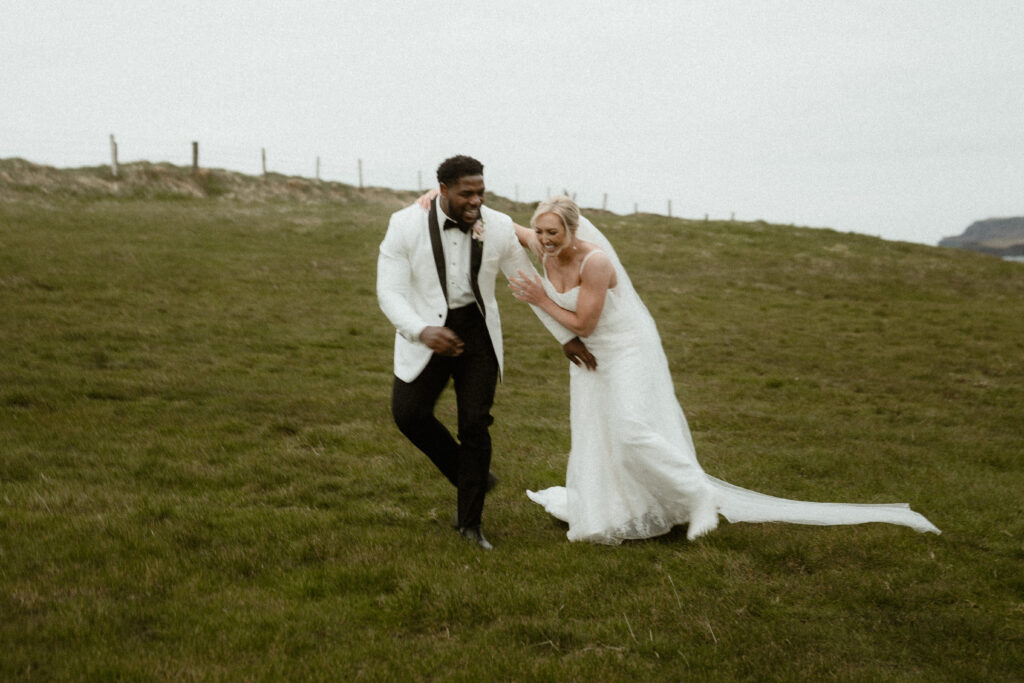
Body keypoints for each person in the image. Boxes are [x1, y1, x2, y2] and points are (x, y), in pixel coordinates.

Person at [507, 196, 940, 544]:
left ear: (572, 230)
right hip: (592, 358)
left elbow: (585, 323)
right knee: (598, 433)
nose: (544, 240)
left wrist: (541, 300)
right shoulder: (539, 243)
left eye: (554, 232)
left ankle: (697, 495)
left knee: (631, 429)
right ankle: (619, 510)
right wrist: (437, 197)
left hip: (627, 349)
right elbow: (505, 224)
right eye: (541, 232)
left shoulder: (595, 262)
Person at [376, 156, 591, 550]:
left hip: (478, 335)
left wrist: (564, 336)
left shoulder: (499, 226)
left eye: (481, 191)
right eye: (466, 193)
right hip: (429, 331)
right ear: (442, 191)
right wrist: (421, 330)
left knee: (475, 424)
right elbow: (389, 290)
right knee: (409, 414)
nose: (476, 200)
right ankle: (469, 473)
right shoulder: (404, 224)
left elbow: (526, 282)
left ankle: (470, 524)